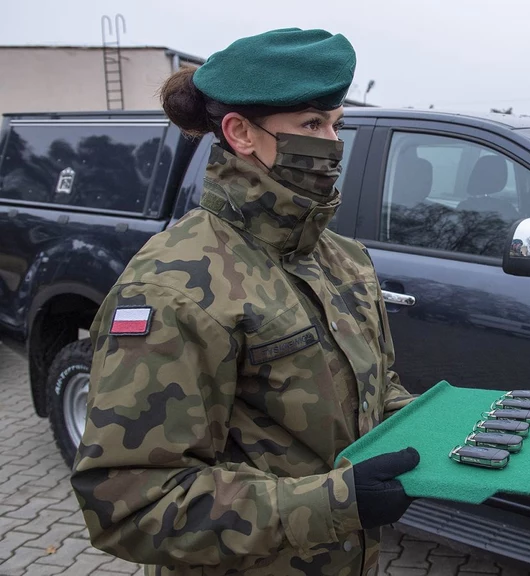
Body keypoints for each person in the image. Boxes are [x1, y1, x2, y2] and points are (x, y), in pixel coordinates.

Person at [70, 28, 420, 576]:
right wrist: (336, 503)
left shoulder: (341, 258)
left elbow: (375, 389)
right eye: (310, 125)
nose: (331, 143)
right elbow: (131, 503)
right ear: (240, 133)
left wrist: (431, 429)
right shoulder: (171, 286)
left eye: (336, 123)